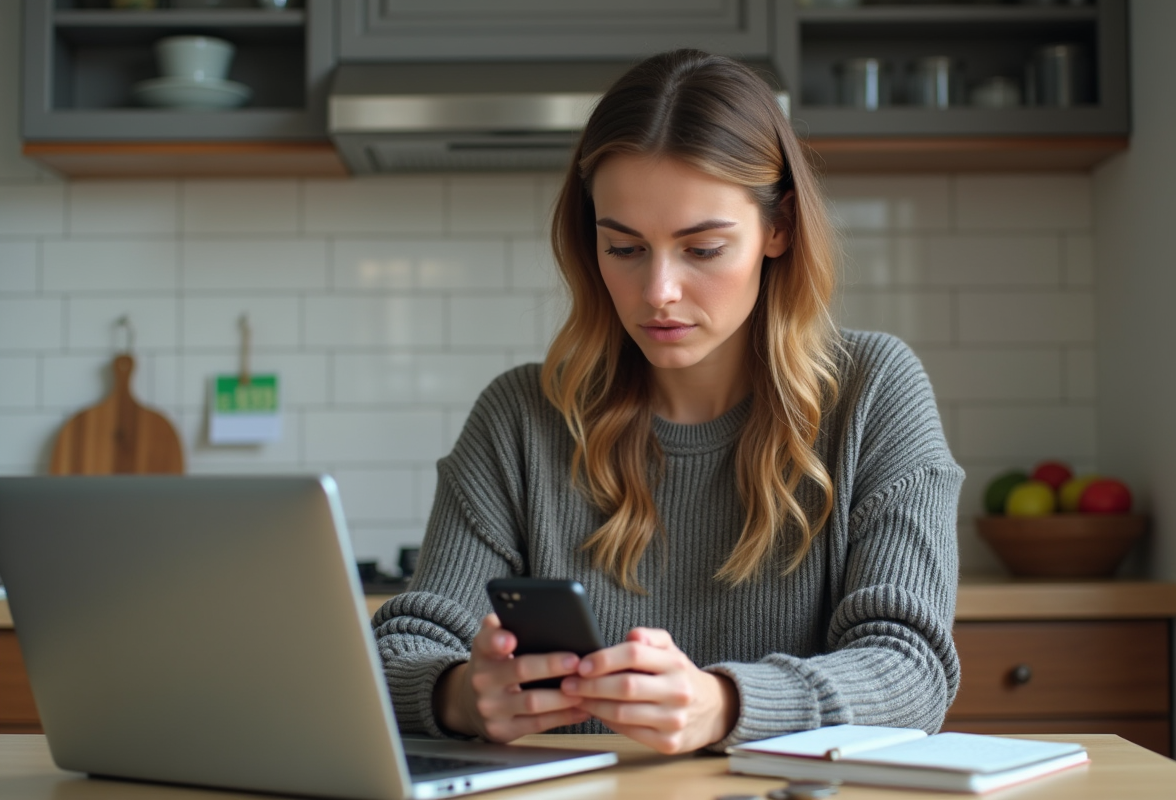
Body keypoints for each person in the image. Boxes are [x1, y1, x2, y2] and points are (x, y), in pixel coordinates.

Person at [373, 49, 963, 756]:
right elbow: (399, 652)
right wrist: (462, 695)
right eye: (624, 248)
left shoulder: (873, 393)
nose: (658, 292)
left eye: (703, 249)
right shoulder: (521, 417)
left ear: (778, 229)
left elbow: (911, 669)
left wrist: (724, 705)